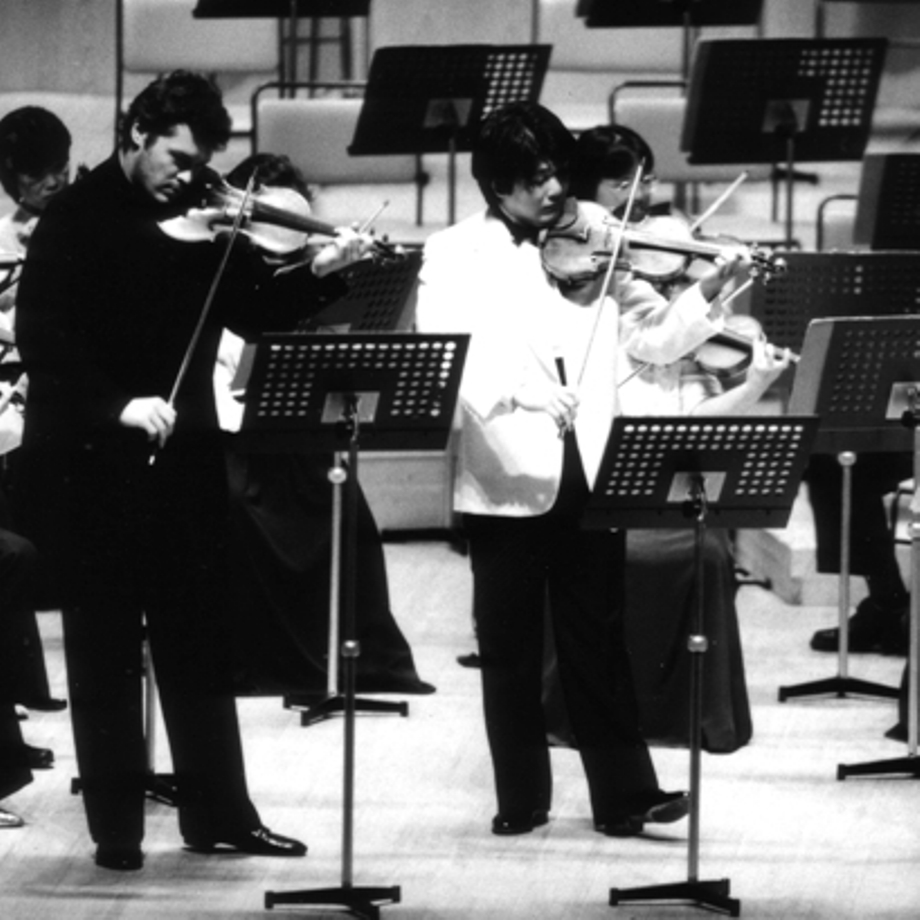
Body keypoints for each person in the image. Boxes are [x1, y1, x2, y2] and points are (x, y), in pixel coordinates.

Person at [12, 71, 374, 871]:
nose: (188, 177)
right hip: (93, 465)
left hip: (187, 460)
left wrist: (323, 269)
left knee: (200, 642)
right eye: (177, 158)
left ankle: (220, 816)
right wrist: (117, 405)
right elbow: (42, 337)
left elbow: (253, 307)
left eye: (201, 164)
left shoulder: (204, 218)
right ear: (138, 132)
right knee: (105, 652)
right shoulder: (76, 217)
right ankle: (116, 830)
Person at [414, 101, 748, 838]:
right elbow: (449, 358)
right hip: (507, 471)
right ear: (497, 185)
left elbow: (653, 340)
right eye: (535, 179)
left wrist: (705, 294)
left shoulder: (593, 236)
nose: (555, 190)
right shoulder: (454, 253)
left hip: (591, 465)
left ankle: (626, 797)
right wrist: (524, 393)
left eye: (558, 173)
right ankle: (520, 799)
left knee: (599, 639)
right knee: (508, 649)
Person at [564, 124, 792, 753]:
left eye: (646, 180)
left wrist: (752, 377)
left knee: (709, 550)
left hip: (665, 467)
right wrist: (706, 289)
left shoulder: (639, 282)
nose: (640, 198)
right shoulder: (585, 277)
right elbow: (656, 340)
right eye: (622, 184)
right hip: (598, 463)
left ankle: (693, 712)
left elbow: (677, 365)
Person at [215, 153, 434, 699]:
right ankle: (268, 660)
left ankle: (357, 659)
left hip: (292, 421)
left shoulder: (311, 267)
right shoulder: (223, 268)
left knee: (348, 507)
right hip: (230, 425)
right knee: (240, 505)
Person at [0, 106, 72, 717]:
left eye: (60, 169)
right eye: (37, 175)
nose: (53, 183)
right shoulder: (4, 238)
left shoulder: (82, 223)